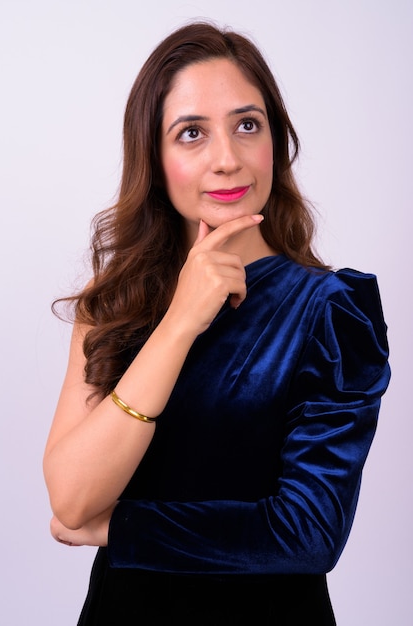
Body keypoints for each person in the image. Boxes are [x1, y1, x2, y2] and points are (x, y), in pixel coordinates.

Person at [43, 21, 390, 625]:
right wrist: (180, 321)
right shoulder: (116, 305)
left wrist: (124, 528)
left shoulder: (330, 310)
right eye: (192, 133)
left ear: (274, 144)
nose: (227, 159)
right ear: (153, 156)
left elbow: (308, 534)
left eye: (247, 125)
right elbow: (71, 502)